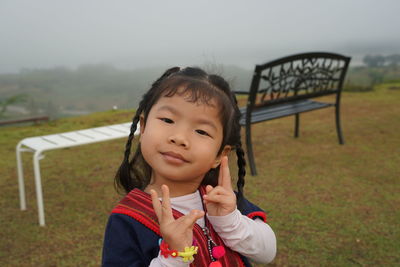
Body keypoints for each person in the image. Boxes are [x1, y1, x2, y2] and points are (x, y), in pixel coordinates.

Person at [102, 67, 276, 267]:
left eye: (202, 131)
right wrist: (173, 256)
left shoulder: (224, 202)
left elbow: (267, 253)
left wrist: (229, 222)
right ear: (143, 127)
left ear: (220, 155)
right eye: (167, 120)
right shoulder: (127, 220)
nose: (179, 138)